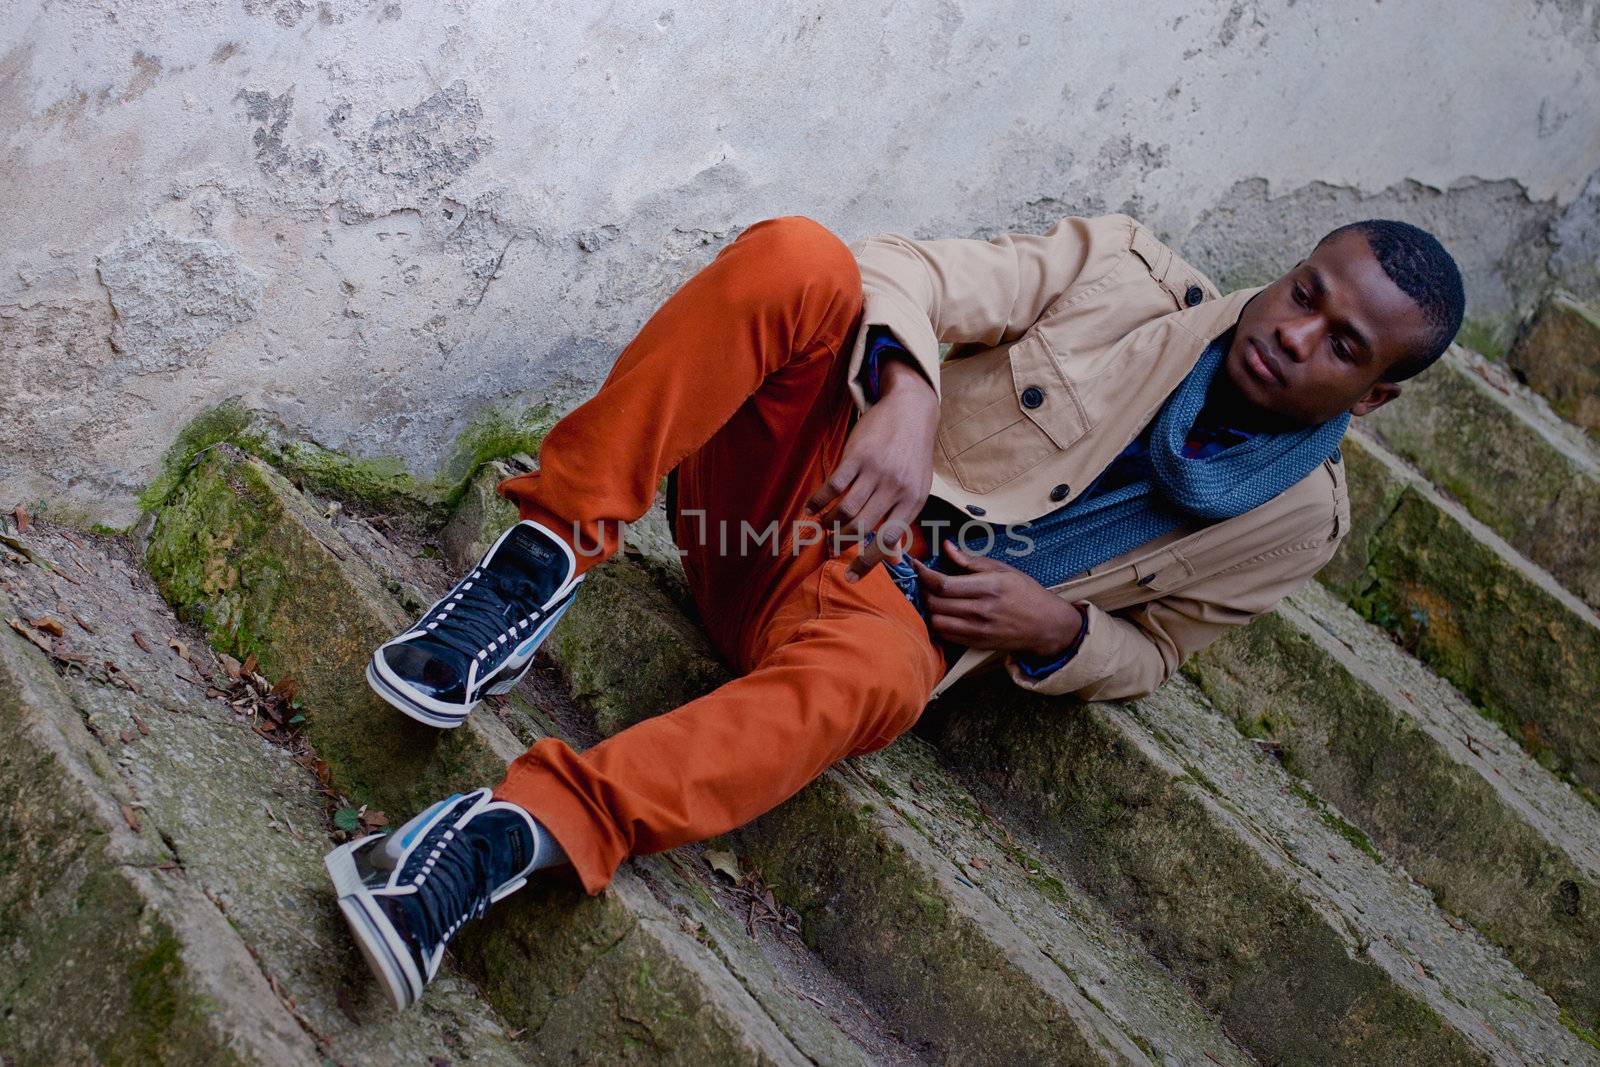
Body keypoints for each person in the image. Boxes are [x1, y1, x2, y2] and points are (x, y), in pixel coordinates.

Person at [324, 212, 1464, 1009]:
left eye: (1341, 346)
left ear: (1374, 396)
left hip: (879, 613)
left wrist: (1055, 630)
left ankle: (501, 836)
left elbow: (1156, 651)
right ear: (1290, 268)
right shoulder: (1121, 269)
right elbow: (902, 269)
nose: (1291, 332)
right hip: (805, 485)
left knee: (885, 679)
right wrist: (907, 395)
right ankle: (538, 567)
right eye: (1303, 291)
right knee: (799, 259)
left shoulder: (1296, 523)